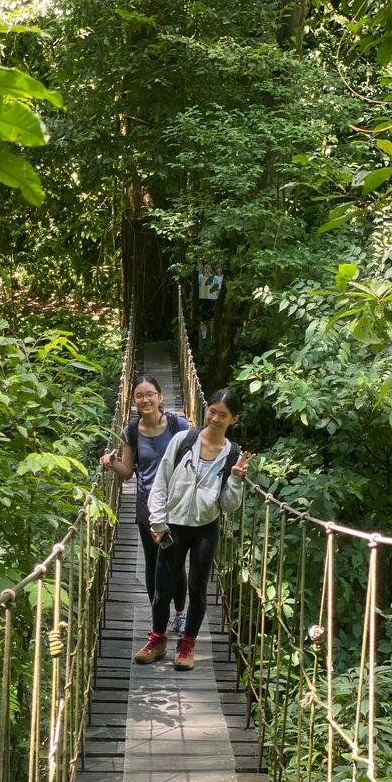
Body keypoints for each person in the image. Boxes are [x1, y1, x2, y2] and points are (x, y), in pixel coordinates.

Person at [134, 389, 254, 671]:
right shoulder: (183, 439)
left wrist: (236, 479)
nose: (214, 418)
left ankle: (186, 646)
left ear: (234, 419)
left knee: (198, 589)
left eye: (223, 415)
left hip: (205, 528)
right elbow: (161, 481)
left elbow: (228, 506)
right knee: (163, 588)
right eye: (212, 411)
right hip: (173, 525)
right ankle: (157, 640)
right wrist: (158, 521)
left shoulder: (232, 454)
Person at [100, 375, 190, 630]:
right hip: (147, 503)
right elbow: (128, 472)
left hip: (176, 503)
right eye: (139, 396)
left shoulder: (178, 425)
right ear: (133, 402)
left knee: (175, 559)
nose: (145, 399)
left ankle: (181, 613)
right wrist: (110, 462)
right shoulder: (130, 431)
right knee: (153, 561)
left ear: (160, 397)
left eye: (150, 394)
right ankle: (157, 615)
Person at [198, 265, 223, 340]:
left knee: (211, 318)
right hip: (202, 299)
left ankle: (211, 335)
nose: (207, 269)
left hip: (211, 300)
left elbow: (217, 288)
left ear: (211, 269)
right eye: (206, 268)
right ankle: (203, 335)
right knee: (202, 319)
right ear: (204, 269)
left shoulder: (215, 278)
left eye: (209, 268)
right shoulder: (200, 277)